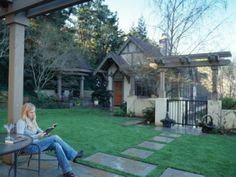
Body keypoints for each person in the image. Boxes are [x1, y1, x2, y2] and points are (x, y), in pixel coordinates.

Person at [16, 102, 83, 177]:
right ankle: (73, 155)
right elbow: (19, 137)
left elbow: (39, 130)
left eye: (34, 111)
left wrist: (46, 132)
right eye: (31, 112)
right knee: (55, 137)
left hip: (38, 144)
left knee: (56, 145)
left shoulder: (32, 121)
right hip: (29, 147)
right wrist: (36, 136)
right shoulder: (21, 122)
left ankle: (67, 171)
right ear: (25, 112)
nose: (33, 114)